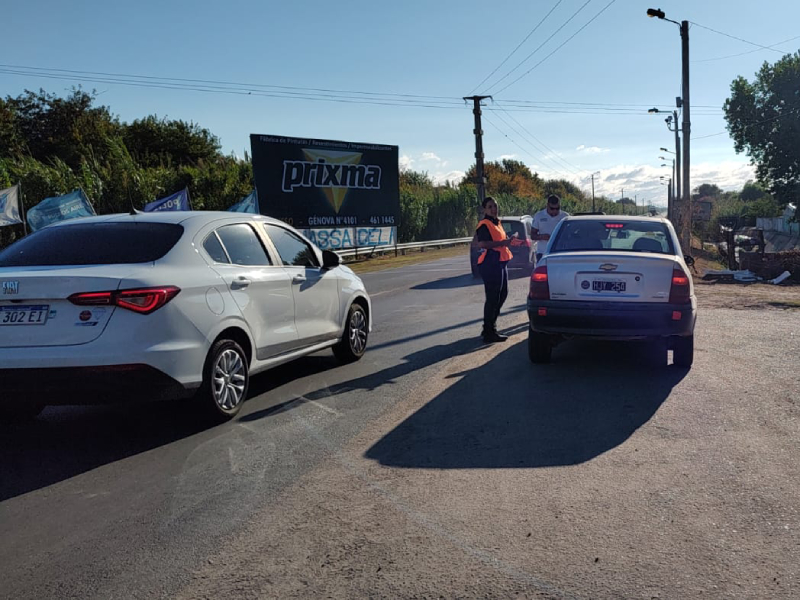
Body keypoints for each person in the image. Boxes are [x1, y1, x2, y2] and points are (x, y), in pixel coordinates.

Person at [475, 196, 517, 343]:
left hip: (500, 262)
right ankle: (489, 331)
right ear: (484, 209)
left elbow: (501, 241)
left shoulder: (497, 222)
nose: (494, 209)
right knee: (493, 297)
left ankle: (489, 327)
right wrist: (503, 242)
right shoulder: (484, 224)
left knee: (502, 294)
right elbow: (483, 244)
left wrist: (510, 242)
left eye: (495, 206)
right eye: (490, 207)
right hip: (490, 263)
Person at [531, 194, 570, 263]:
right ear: (547, 205)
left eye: (557, 208)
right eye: (552, 208)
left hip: (561, 253)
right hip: (543, 252)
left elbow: (571, 235)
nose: (554, 211)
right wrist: (542, 237)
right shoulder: (539, 216)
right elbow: (532, 235)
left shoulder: (565, 216)